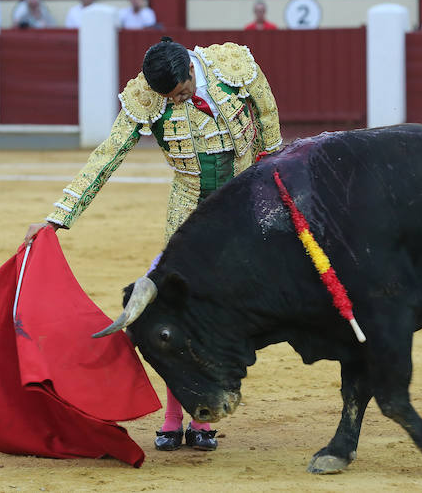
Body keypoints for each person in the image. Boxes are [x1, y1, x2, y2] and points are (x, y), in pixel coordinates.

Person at [23, 36, 283, 452]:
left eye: (181, 92)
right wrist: (59, 216)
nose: (178, 101)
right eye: (171, 97)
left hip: (240, 205)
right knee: (177, 314)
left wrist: (272, 168)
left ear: (190, 70)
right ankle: (174, 415)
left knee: (221, 313)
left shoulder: (230, 65)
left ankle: (203, 415)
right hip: (187, 210)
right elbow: (108, 154)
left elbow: (267, 116)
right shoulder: (147, 97)